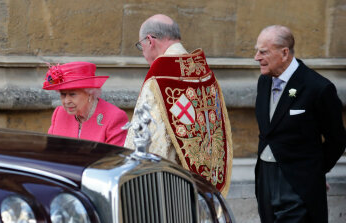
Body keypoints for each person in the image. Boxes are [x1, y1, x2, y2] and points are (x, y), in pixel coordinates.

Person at [124, 14, 233, 197]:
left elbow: (148, 137)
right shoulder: (205, 74)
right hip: (205, 184)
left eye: (140, 46)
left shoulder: (159, 77)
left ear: (150, 40)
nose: (143, 54)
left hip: (173, 187)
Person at [254, 25, 346, 223]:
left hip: (297, 184)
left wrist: (312, 172)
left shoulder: (318, 87)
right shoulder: (264, 81)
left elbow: (337, 139)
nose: (256, 57)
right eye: (257, 51)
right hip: (265, 177)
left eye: (263, 52)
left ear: (284, 53)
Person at [43, 61, 128, 146]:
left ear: (90, 93)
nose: (66, 101)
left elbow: (114, 158)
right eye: (63, 94)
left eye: (72, 94)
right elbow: (51, 150)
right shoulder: (59, 113)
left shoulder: (114, 118)